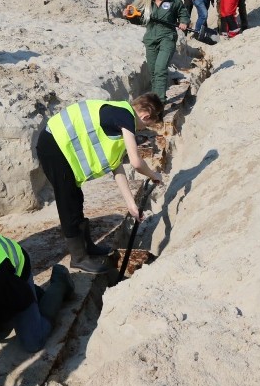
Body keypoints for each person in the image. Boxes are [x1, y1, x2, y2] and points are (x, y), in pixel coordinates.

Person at [36, 94, 165, 274]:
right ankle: (79, 257)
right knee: (68, 202)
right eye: (146, 126)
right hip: (53, 146)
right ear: (145, 117)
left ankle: (87, 246)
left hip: (60, 147)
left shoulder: (118, 116)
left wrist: (131, 204)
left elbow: (117, 166)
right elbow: (136, 162)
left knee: (75, 198)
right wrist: (153, 174)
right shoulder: (125, 117)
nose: (142, 129)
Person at [123, 0, 190, 101]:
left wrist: (184, 22)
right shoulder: (147, 1)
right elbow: (141, 21)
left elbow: (183, 14)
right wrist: (129, 16)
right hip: (151, 38)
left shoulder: (174, 0)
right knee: (153, 71)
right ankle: (158, 97)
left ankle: (158, 103)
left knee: (160, 69)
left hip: (167, 37)